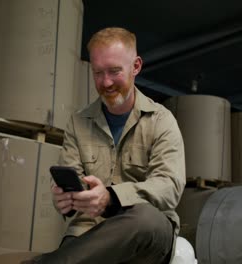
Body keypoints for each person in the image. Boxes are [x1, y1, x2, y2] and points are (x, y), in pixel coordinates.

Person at [32, 27, 186, 263]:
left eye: (114, 71)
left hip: (147, 236)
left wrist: (111, 197)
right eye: (97, 73)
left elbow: (169, 187)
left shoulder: (161, 120)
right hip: (88, 232)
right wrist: (65, 200)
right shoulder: (77, 123)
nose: (106, 82)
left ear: (136, 66)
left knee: (145, 217)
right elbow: (72, 181)